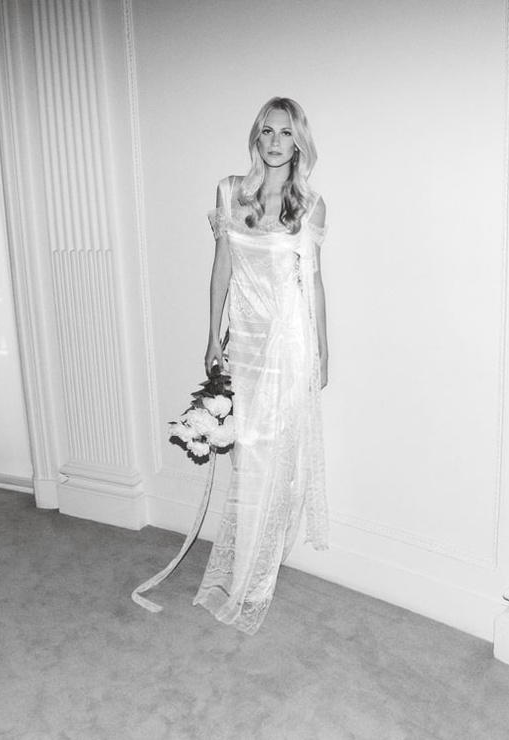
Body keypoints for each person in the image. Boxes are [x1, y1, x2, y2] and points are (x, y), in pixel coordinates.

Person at [195, 96, 329, 634]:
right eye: (267, 131)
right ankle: (242, 567)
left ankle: (252, 579)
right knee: (245, 457)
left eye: (286, 132)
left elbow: (313, 282)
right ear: (257, 136)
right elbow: (221, 267)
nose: (275, 141)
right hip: (245, 341)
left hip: (288, 342)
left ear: (299, 142)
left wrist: (322, 351)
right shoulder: (230, 191)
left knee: (273, 460)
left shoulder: (311, 205)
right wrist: (212, 334)